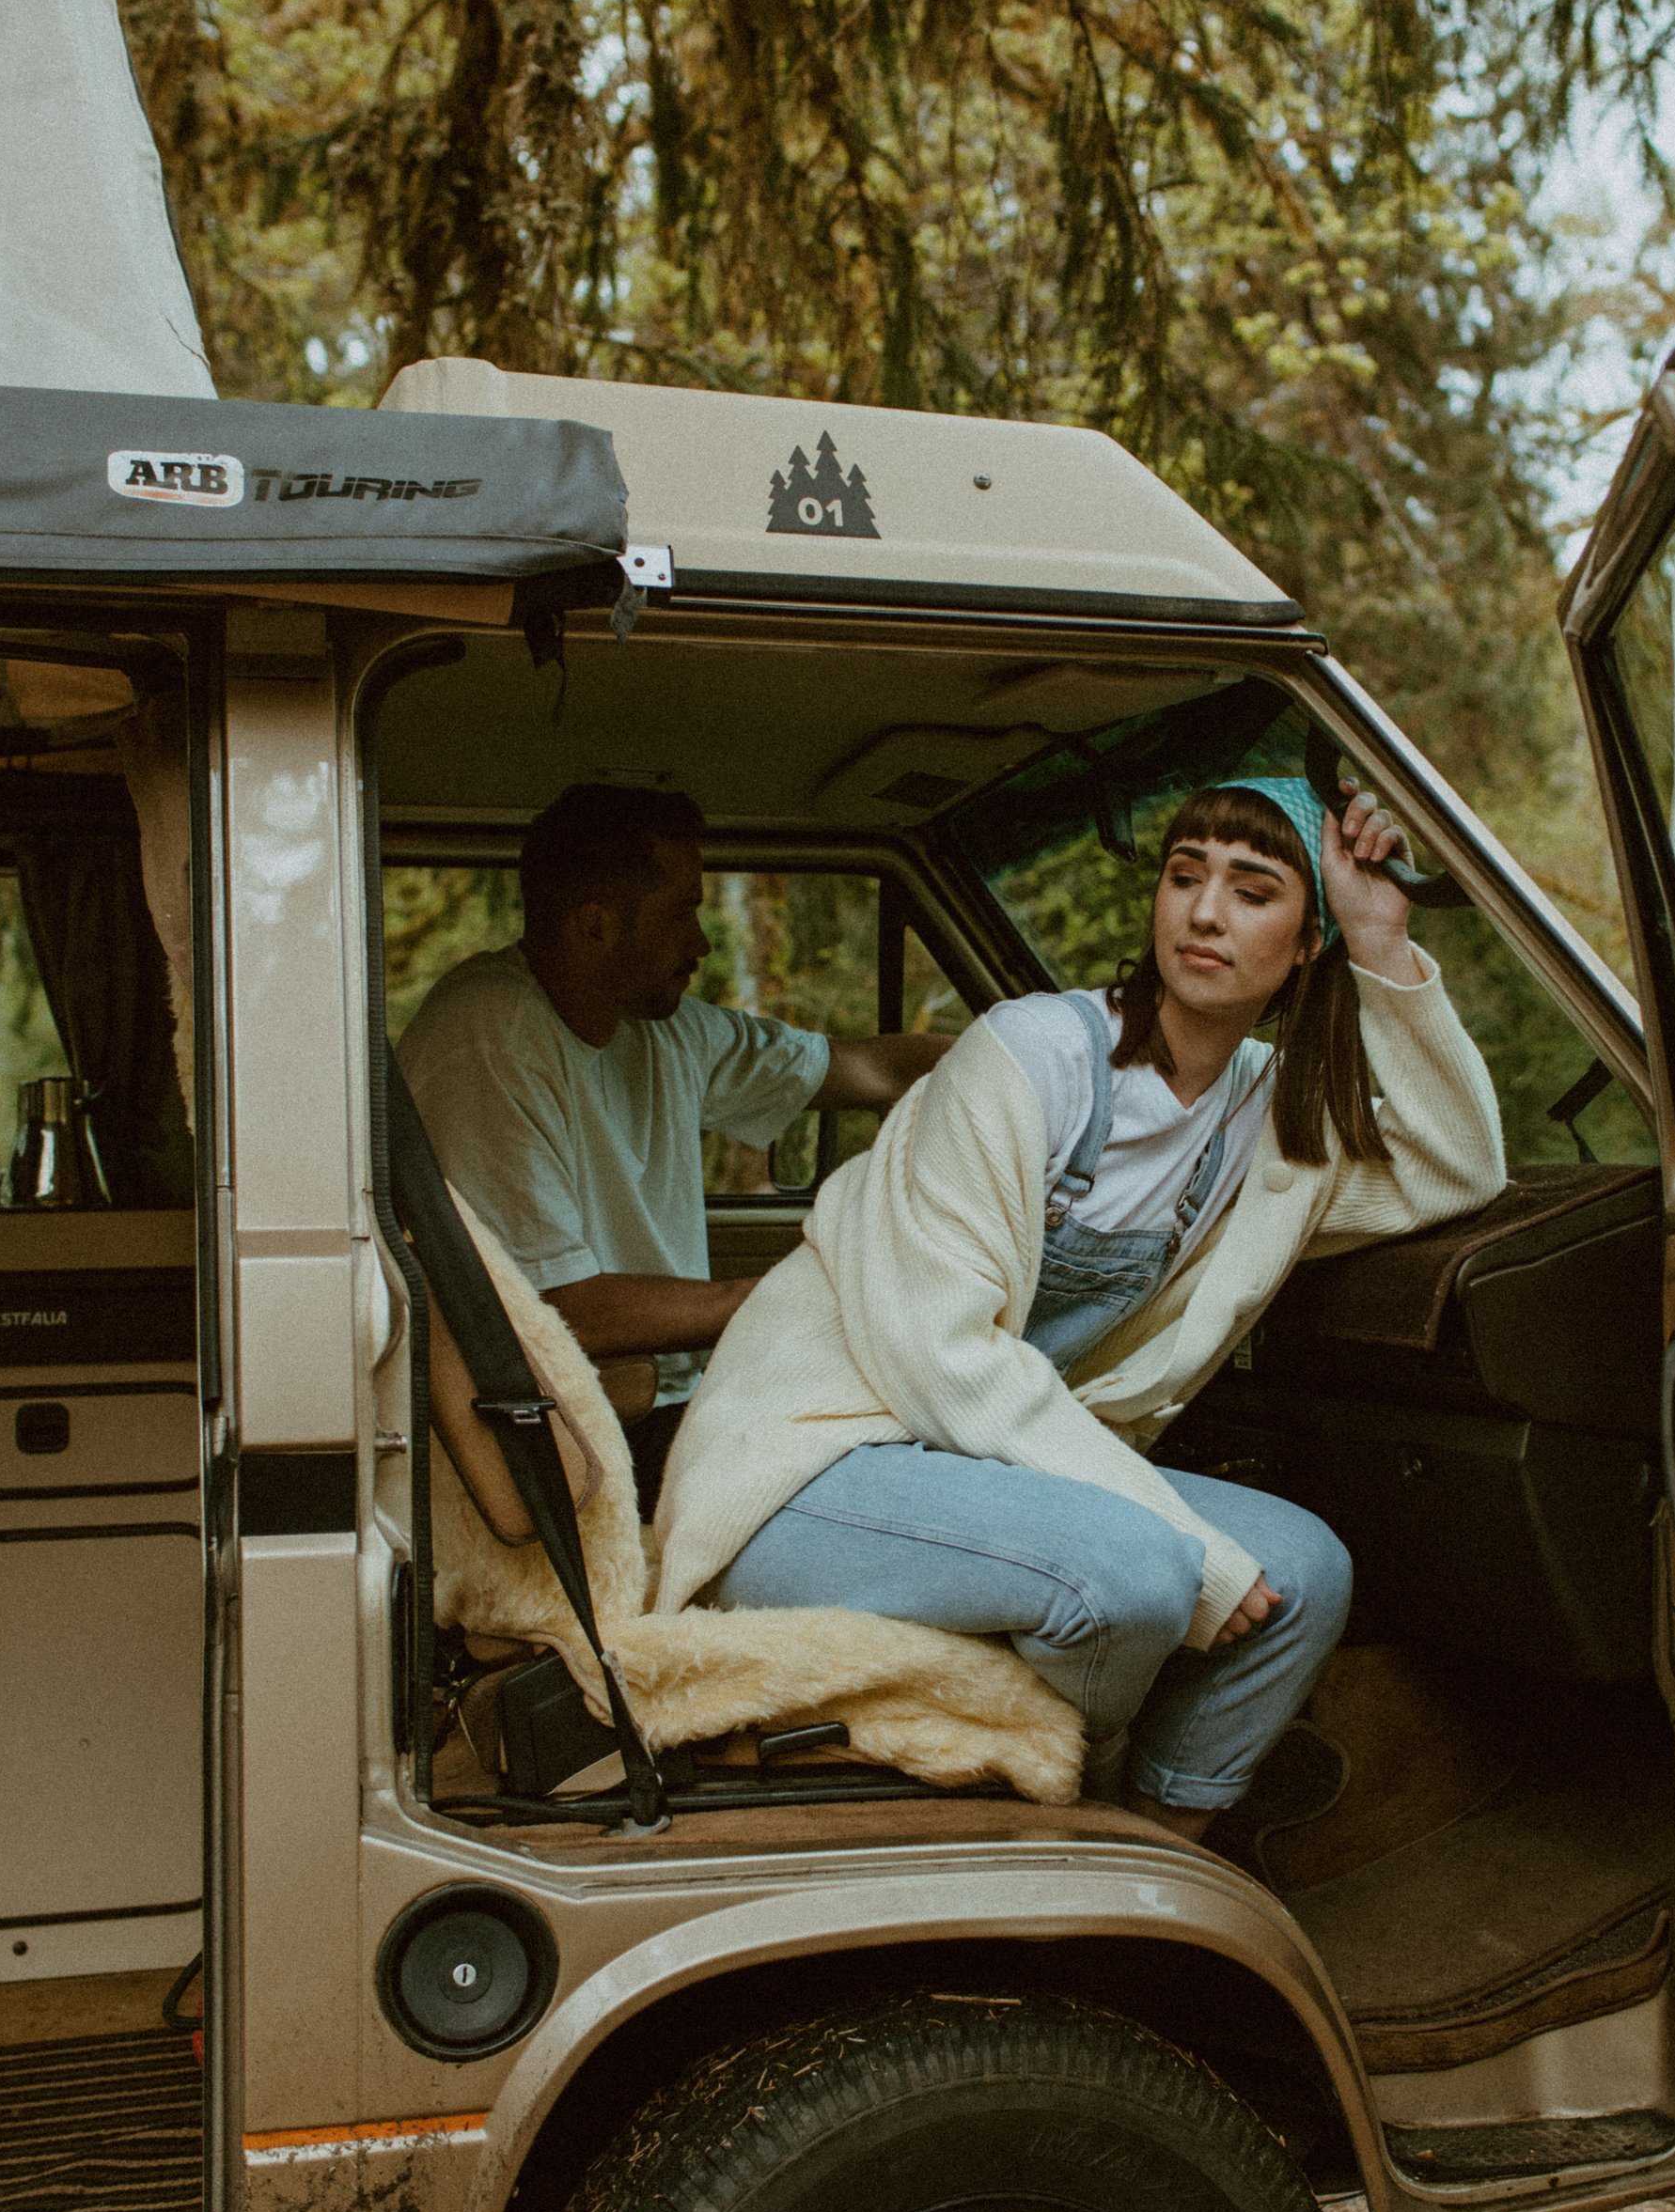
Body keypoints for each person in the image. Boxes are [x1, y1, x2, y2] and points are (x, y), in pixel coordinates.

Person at [652, 772, 1508, 1835]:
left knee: (1307, 1574)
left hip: (989, 1472)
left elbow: (1460, 1168)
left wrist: (1381, 937)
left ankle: (1158, 1845)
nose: (1202, 911)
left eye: (1252, 889)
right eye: (1184, 874)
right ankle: (1070, 1825)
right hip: (815, 1467)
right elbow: (945, 1358)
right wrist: (1176, 1541)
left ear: (1305, 945)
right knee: (1140, 1574)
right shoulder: (1029, 1055)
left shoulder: (1270, 1113)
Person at [398, 783, 946, 1511]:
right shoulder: (488, 1035)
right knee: (895, 1494)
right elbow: (562, 1309)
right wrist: (790, 1295)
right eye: (680, 913)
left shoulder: (664, 1030)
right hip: (574, 1431)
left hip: (673, 1409)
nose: (701, 944)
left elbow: (872, 1069)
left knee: (920, 1459)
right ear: (595, 926)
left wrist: (1055, 1054)